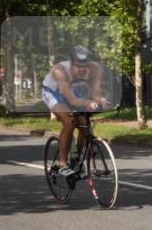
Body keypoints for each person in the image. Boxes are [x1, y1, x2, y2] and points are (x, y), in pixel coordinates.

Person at [42, 45, 110, 178]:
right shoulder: (60, 70)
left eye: (85, 66)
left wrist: (101, 100)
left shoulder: (95, 68)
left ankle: (76, 161)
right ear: (71, 63)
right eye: (78, 66)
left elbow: (96, 93)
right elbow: (71, 100)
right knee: (69, 122)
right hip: (53, 92)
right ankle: (62, 165)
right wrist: (87, 103)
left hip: (71, 89)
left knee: (84, 125)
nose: (82, 69)